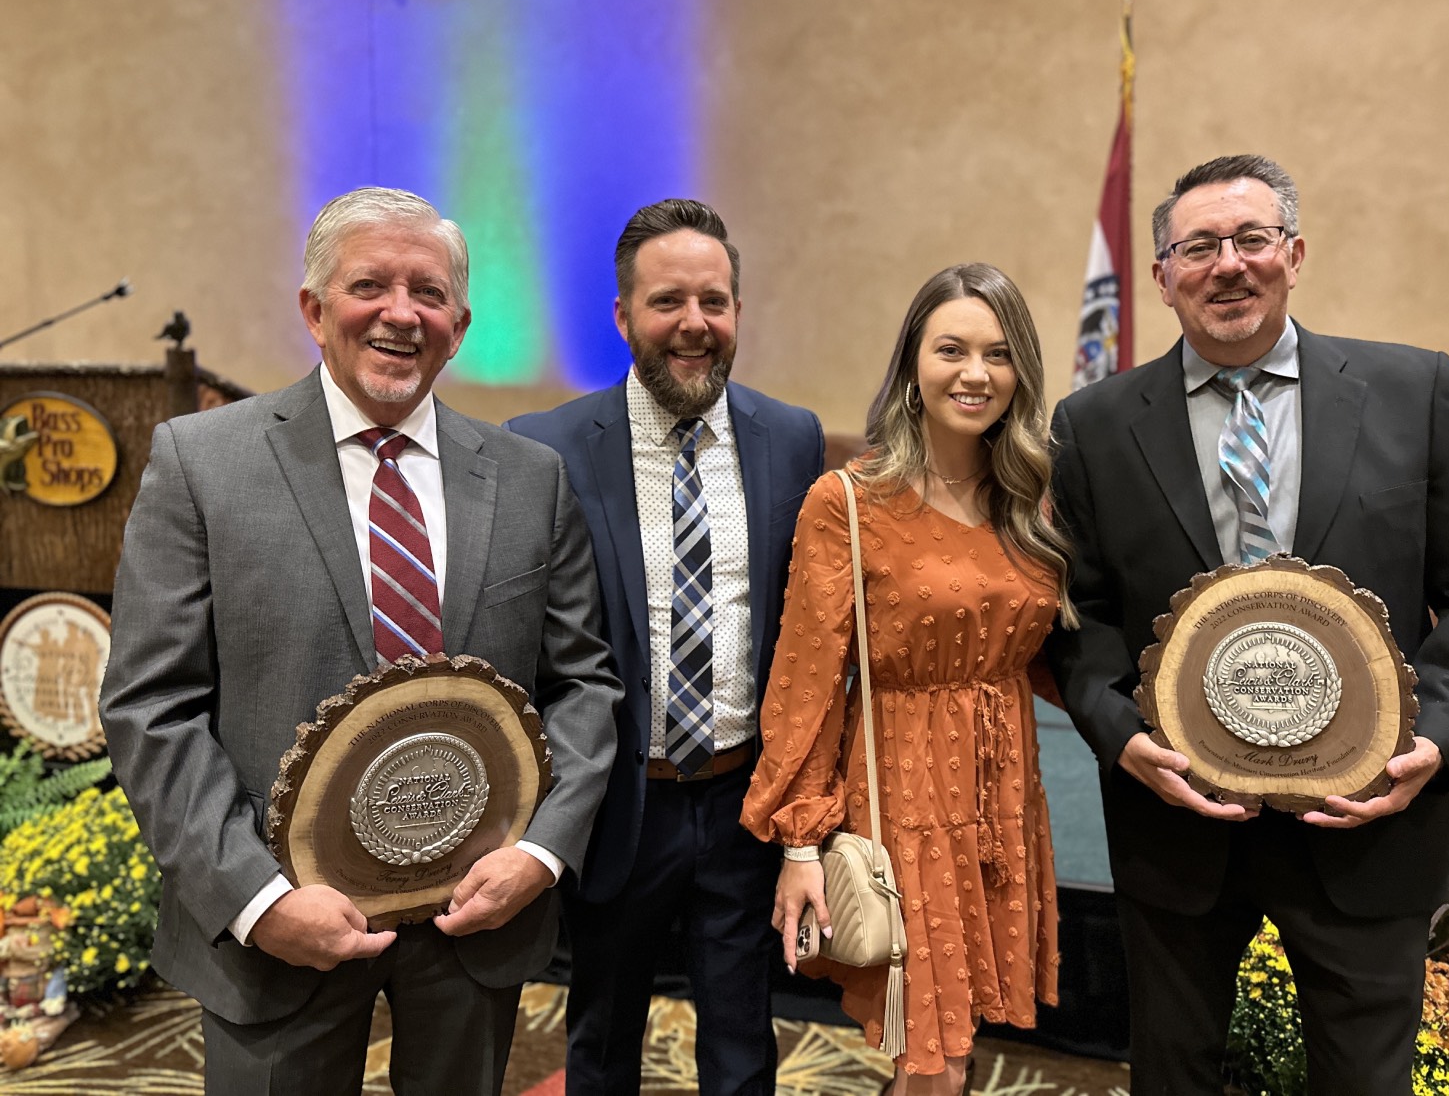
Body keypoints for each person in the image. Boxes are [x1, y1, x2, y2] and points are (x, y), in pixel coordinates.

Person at [99, 187, 621, 1095]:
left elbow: (584, 686)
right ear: (314, 309)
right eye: (369, 285)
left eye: (427, 293)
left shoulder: (532, 480)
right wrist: (258, 900)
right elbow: (152, 706)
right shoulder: (200, 463)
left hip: (472, 923)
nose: (400, 313)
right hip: (277, 932)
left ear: (458, 327)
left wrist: (539, 854)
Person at [1046, 154, 1449, 1095]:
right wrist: (1121, 733)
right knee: (1173, 1078)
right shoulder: (1091, 425)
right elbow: (1078, 615)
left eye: (1252, 239)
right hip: (1178, 833)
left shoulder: (1416, 393)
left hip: (1370, 822)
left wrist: (1435, 740)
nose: (1229, 264)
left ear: (1295, 253)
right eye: (1199, 246)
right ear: (1165, 275)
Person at [506, 198, 825, 1095]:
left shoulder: (790, 436)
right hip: (618, 804)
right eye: (667, 302)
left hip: (740, 803)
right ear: (622, 316)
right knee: (601, 1041)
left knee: (742, 1042)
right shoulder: (548, 448)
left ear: (736, 312)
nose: (694, 324)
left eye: (714, 302)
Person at [741, 263, 1077, 1095]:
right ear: (912, 366)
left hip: (1001, 793)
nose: (974, 373)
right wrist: (802, 837)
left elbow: (1039, 651)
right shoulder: (849, 502)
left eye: (998, 354)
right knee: (929, 1045)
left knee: (950, 1050)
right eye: (951, 349)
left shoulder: (1028, 501)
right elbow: (806, 681)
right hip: (904, 791)